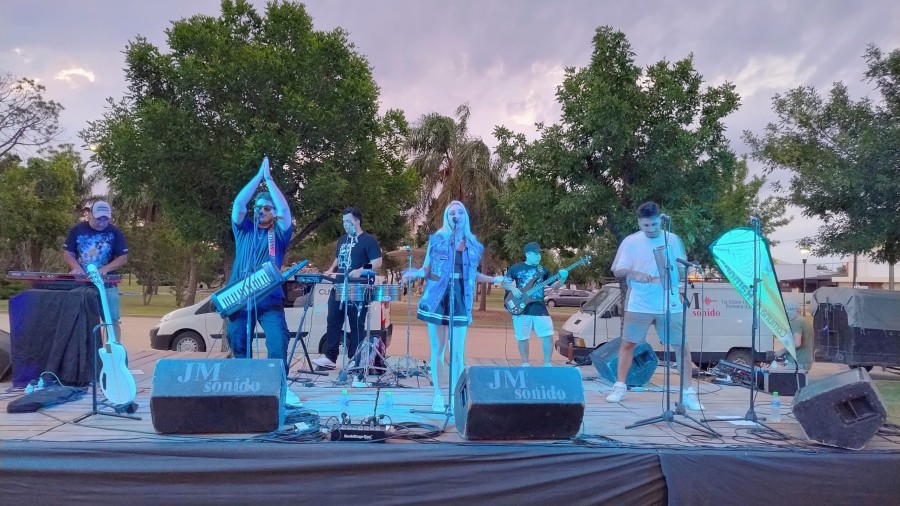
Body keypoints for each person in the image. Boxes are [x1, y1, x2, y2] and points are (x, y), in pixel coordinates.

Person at [403, 201, 504, 411]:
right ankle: (438, 395)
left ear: (465, 216)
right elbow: (426, 269)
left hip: (460, 296)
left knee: (458, 351)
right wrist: (415, 273)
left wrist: (495, 280)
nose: (456, 215)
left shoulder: (474, 245)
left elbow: (473, 274)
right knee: (438, 348)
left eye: (460, 212)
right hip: (437, 296)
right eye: (451, 213)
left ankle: (458, 396)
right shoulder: (437, 240)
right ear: (446, 217)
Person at [605, 201, 703, 411]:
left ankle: (687, 393)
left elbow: (682, 268)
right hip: (640, 301)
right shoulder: (631, 242)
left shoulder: (673, 239)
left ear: (661, 219)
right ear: (640, 223)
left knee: (681, 347)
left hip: (670, 300)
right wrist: (633, 274)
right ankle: (620, 386)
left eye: (655, 225)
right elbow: (618, 270)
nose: (651, 229)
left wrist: (682, 270)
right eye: (646, 226)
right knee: (628, 344)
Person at [225, 157, 300, 406]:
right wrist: (258, 177)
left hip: (269, 299)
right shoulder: (244, 229)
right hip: (240, 298)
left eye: (267, 208)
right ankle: (243, 388)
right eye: (258, 206)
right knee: (238, 341)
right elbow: (238, 203)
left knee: (277, 342)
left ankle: (279, 389)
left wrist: (270, 180)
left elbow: (286, 211)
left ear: (274, 213)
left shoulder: (278, 234)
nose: (261, 210)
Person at [312, 207, 383, 370]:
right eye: (343, 221)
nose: (345, 225)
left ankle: (355, 358)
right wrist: (331, 269)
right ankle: (330, 357)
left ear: (357, 221)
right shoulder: (343, 239)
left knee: (356, 322)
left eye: (348, 221)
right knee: (333, 320)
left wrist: (361, 269)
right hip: (339, 284)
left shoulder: (368, 240)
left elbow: (377, 261)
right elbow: (339, 257)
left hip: (357, 286)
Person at [63, 200, 128, 336]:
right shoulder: (77, 230)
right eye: (99, 218)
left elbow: (123, 257)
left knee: (112, 320)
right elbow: (68, 254)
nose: (102, 222)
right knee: (80, 318)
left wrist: (104, 269)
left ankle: (112, 351)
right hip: (82, 283)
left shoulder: (115, 232)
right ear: (90, 215)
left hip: (107, 284)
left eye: (106, 219)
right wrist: (76, 268)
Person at [503, 242, 567, 367]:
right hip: (521, 307)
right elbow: (504, 283)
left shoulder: (543, 270)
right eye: (535, 254)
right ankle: (525, 363)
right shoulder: (516, 268)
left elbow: (554, 286)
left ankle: (547, 364)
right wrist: (513, 289)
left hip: (539, 307)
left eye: (540, 254)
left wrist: (563, 278)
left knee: (548, 335)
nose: (539, 256)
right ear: (527, 254)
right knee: (522, 337)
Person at [774, 300, 814, 371]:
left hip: (798, 361)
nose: (787, 313)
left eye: (789, 310)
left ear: (797, 310)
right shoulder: (804, 321)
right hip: (805, 360)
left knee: (792, 381)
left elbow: (797, 343)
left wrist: (782, 352)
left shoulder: (797, 322)